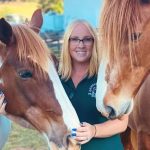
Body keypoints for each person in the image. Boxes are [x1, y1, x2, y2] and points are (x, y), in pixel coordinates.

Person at [58, 19, 128, 150]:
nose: (81, 45)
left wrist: (94, 130)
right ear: (67, 42)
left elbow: (122, 122)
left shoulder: (109, 75)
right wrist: (8, 113)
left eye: (87, 39)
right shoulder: (57, 79)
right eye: (74, 39)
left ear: (94, 42)